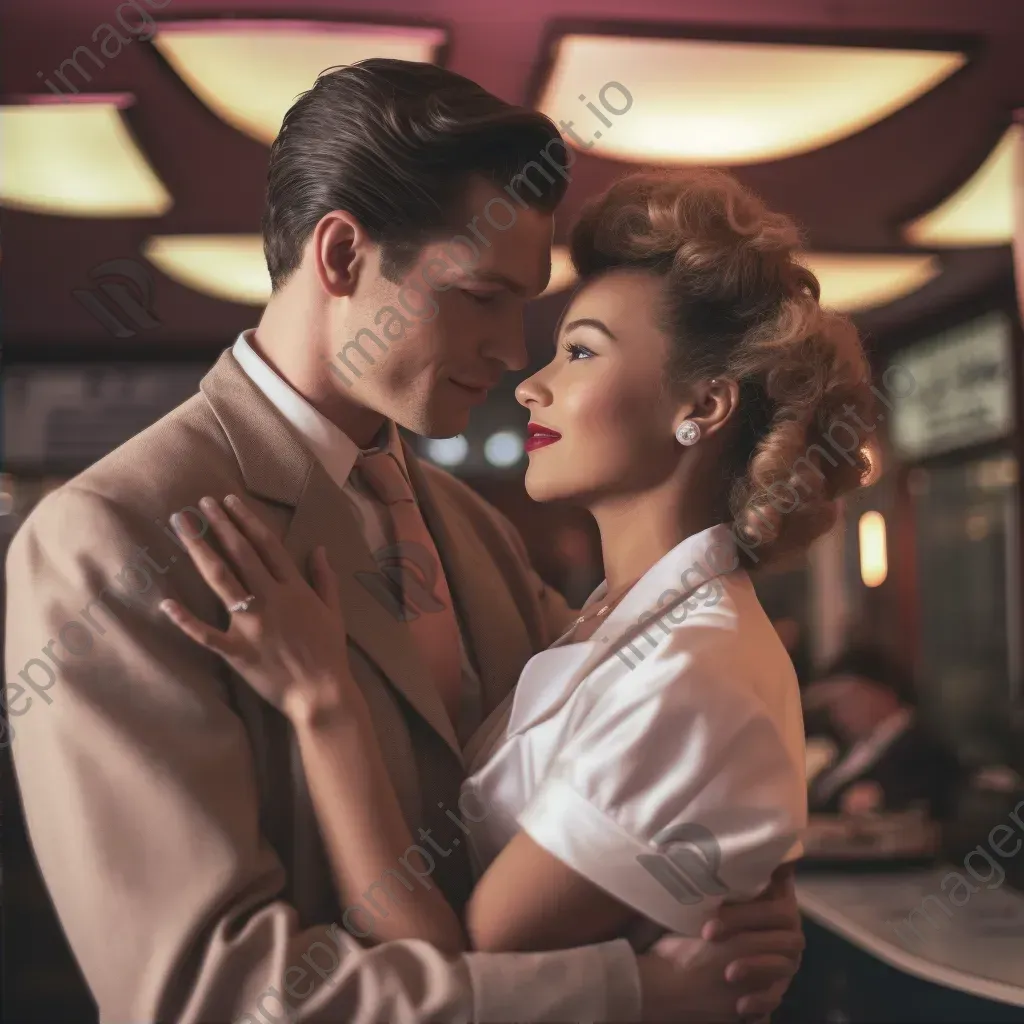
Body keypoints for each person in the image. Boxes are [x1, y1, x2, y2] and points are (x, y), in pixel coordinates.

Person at [5, 60, 807, 1023]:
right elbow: (203, 998)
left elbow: (633, 759)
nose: (516, 351)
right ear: (342, 257)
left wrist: (724, 881)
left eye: (530, 306)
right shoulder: (108, 539)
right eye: (480, 296)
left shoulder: (473, 526)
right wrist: (629, 990)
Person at [804, 646, 960, 818]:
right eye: (833, 704)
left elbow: (936, 791)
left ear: (885, 693)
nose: (839, 712)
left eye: (848, 698)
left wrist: (884, 798)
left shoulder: (922, 744)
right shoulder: (849, 746)